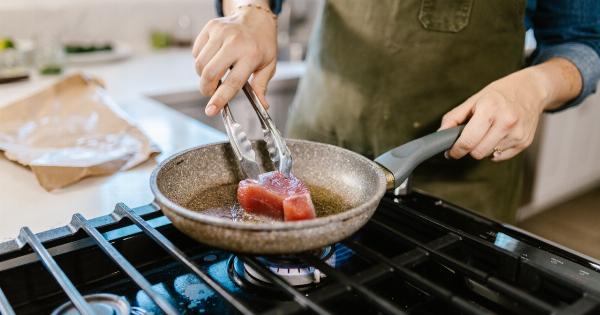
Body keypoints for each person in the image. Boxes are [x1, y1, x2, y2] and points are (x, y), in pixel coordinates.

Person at [192, 0, 600, 223]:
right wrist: (252, 12)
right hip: (321, 148)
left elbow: (584, 42)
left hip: (458, 181)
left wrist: (538, 85)